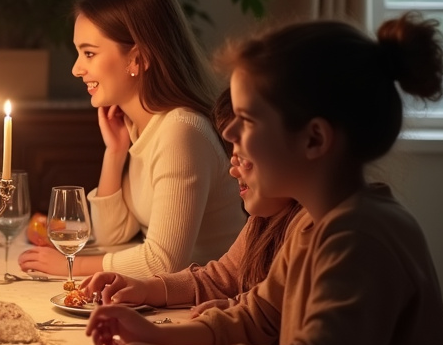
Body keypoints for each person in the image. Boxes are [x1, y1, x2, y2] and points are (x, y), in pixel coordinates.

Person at [85, 13, 443, 345]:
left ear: (314, 139)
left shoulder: (362, 237)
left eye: (248, 121)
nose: (231, 137)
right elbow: (255, 319)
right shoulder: (312, 224)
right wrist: (155, 334)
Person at [19, 0, 244, 278]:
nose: (76, 68)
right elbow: (114, 237)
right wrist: (115, 153)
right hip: (175, 296)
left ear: (137, 57)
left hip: (212, 303)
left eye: (89, 53)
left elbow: (163, 262)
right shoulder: (141, 127)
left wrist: (73, 265)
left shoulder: (181, 131)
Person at [82, 89, 304, 314]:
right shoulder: (263, 221)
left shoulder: (311, 233)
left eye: (247, 137)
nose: (233, 170)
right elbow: (220, 278)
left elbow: (261, 317)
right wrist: (145, 289)